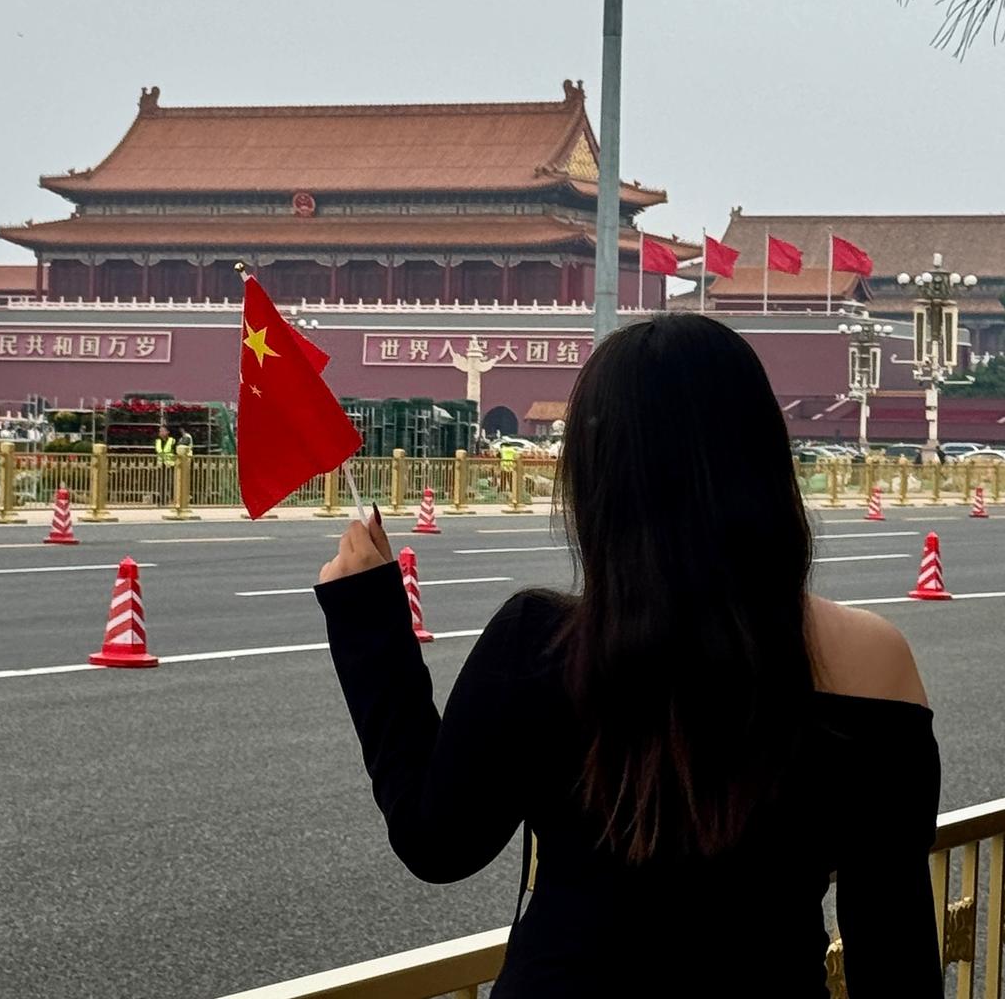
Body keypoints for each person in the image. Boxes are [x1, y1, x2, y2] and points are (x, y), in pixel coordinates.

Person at [315, 315, 942, 998]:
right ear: (764, 459)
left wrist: (369, 623)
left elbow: (437, 842)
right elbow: (895, 953)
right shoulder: (877, 663)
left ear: (599, 479)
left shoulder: (542, 642)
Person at [154, 425, 176, 504]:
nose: (161, 432)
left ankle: (173, 499)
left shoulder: (172, 440)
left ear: (168, 432)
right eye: (160, 431)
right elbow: (158, 450)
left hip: (170, 464)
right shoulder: (158, 441)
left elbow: (174, 451)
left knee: (171, 482)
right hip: (161, 464)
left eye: (163, 431)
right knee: (162, 482)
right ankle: (162, 500)